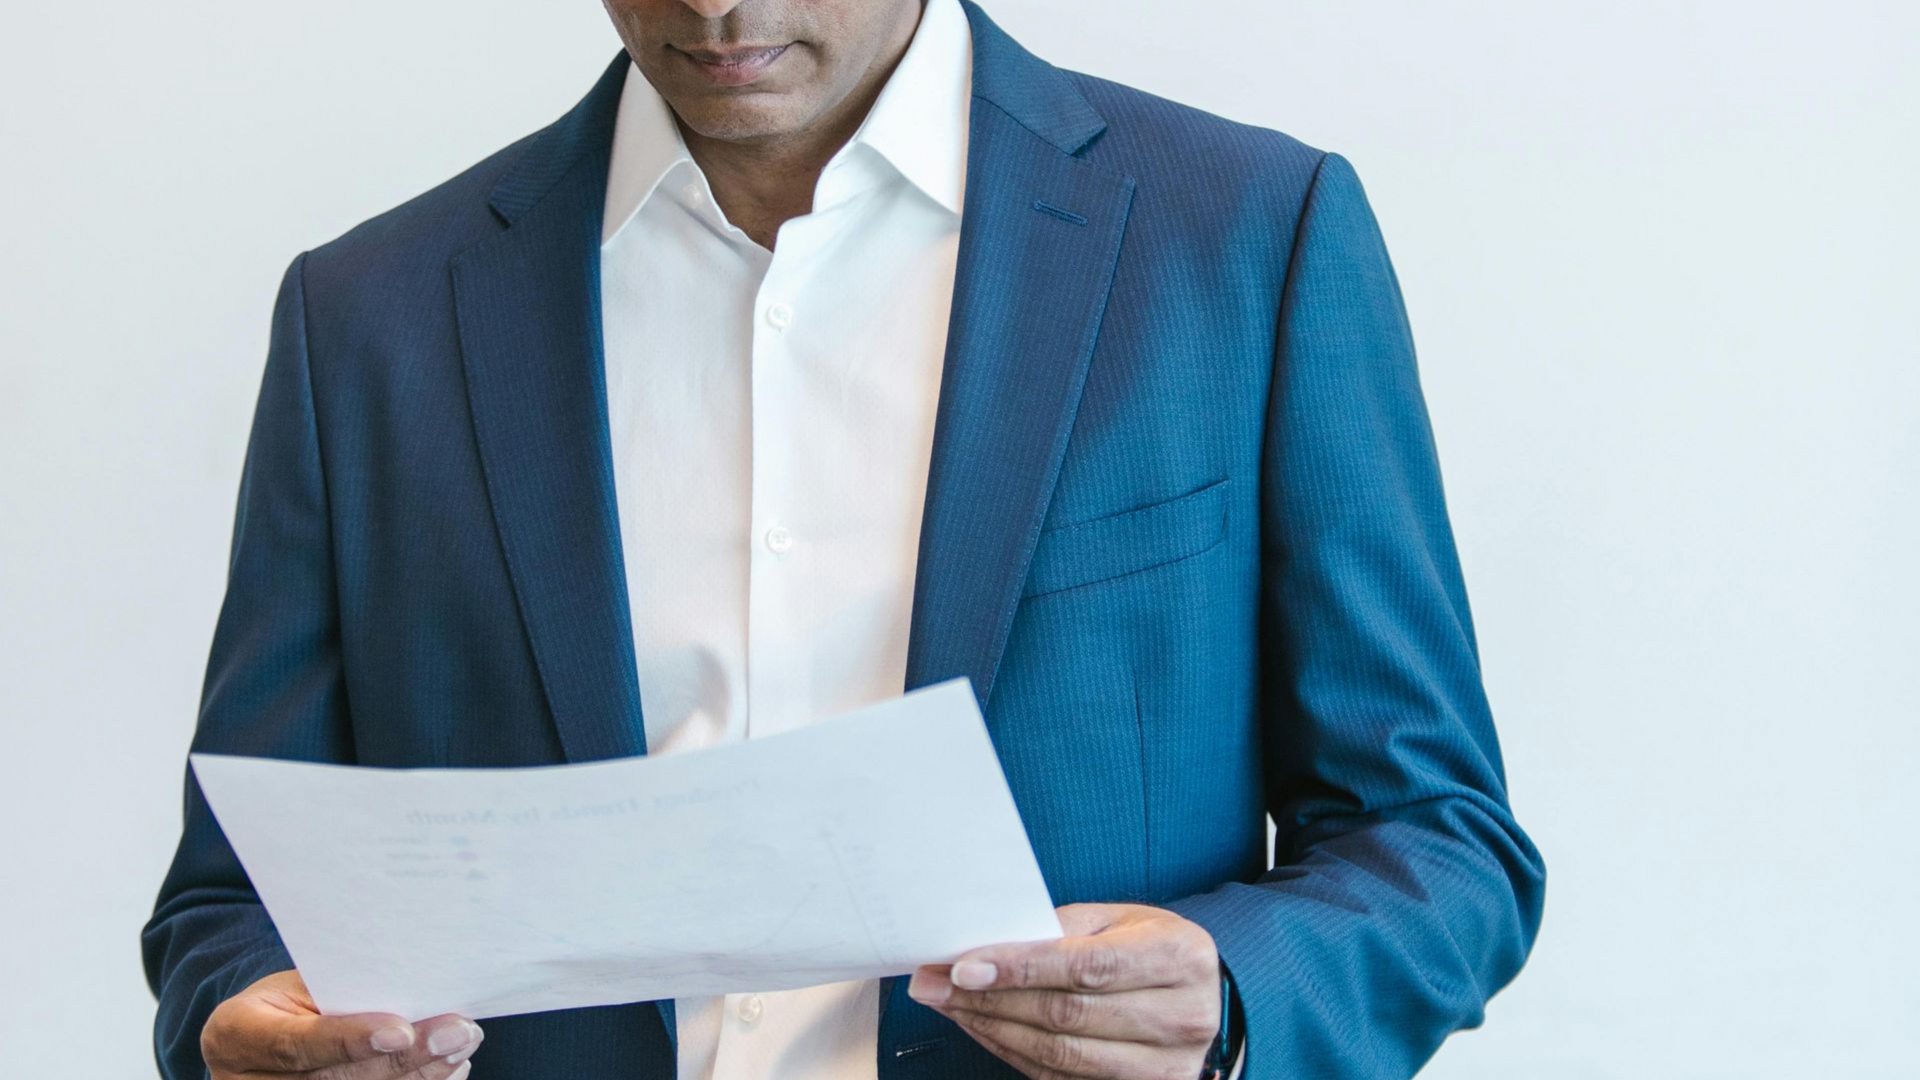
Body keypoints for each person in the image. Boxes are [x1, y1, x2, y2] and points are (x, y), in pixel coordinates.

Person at [142, 0, 1546, 1077]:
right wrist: (238, 1018)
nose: (713, 8)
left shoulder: (1244, 238)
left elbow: (1442, 838)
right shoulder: (369, 315)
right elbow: (234, 894)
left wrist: (1233, 993)